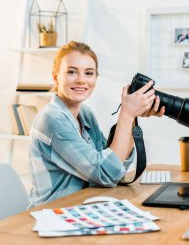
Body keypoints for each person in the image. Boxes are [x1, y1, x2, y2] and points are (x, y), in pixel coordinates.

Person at [28, 41, 165, 207]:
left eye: (88, 73)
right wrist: (126, 114)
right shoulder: (52, 119)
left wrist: (133, 117)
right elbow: (106, 173)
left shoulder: (85, 114)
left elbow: (116, 166)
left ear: (96, 78)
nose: (81, 80)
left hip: (83, 207)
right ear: (56, 76)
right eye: (72, 72)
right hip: (52, 214)